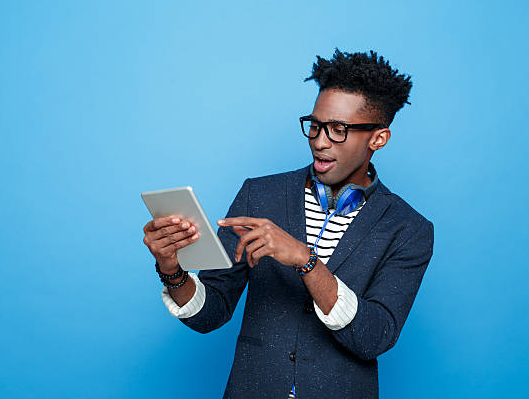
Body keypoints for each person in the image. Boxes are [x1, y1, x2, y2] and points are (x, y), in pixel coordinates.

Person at [142, 48, 434, 399]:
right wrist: (171, 268)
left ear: (378, 138)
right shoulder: (259, 195)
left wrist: (305, 260)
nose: (320, 141)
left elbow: (373, 337)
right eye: (315, 125)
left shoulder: (408, 229)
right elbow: (211, 313)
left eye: (338, 129)